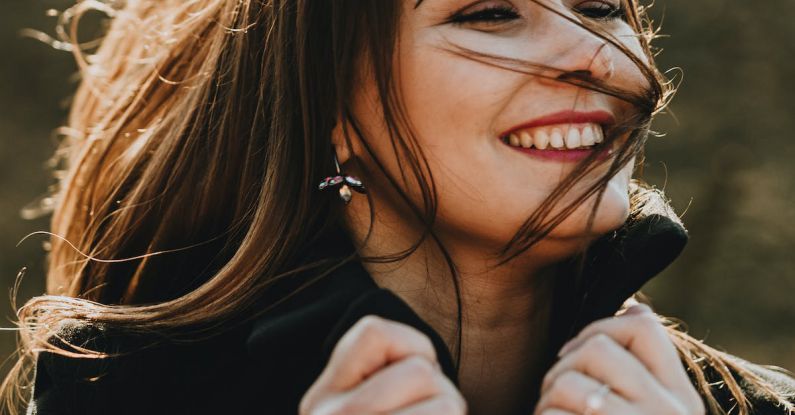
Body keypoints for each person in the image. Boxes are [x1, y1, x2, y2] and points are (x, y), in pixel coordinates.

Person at [3, 0, 794, 414]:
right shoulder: (126, 396)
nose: (597, 57)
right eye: (488, 14)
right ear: (330, 109)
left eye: (597, 5)